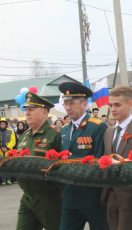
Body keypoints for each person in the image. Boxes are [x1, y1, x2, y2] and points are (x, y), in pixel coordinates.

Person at [58, 82, 108, 230]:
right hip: (70, 197)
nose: (68, 108)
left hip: (93, 197)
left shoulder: (97, 127)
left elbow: (100, 162)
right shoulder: (64, 130)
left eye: (72, 103)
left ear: (84, 104)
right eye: (66, 104)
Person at [101, 86, 132, 230]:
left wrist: (122, 164)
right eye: (110, 105)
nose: (113, 109)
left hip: (131, 196)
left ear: (129, 104)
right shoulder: (108, 132)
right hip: (110, 195)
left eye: (117, 105)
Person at [15, 92, 63, 230]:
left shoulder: (55, 135)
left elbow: (63, 166)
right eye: (26, 109)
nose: (27, 113)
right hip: (27, 197)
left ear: (44, 113)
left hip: (48, 198)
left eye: (31, 110)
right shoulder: (25, 136)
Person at [0, 117, 16, 185]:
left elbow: (13, 141)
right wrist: (1, 148)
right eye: (1, 124)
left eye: (4, 124)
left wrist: (7, 148)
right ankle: (3, 180)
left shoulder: (10, 131)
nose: (2, 125)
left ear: (6, 124)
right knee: (1, 167)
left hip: (8, 152)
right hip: (0, 152)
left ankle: (8, 179)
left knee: (8, 167)